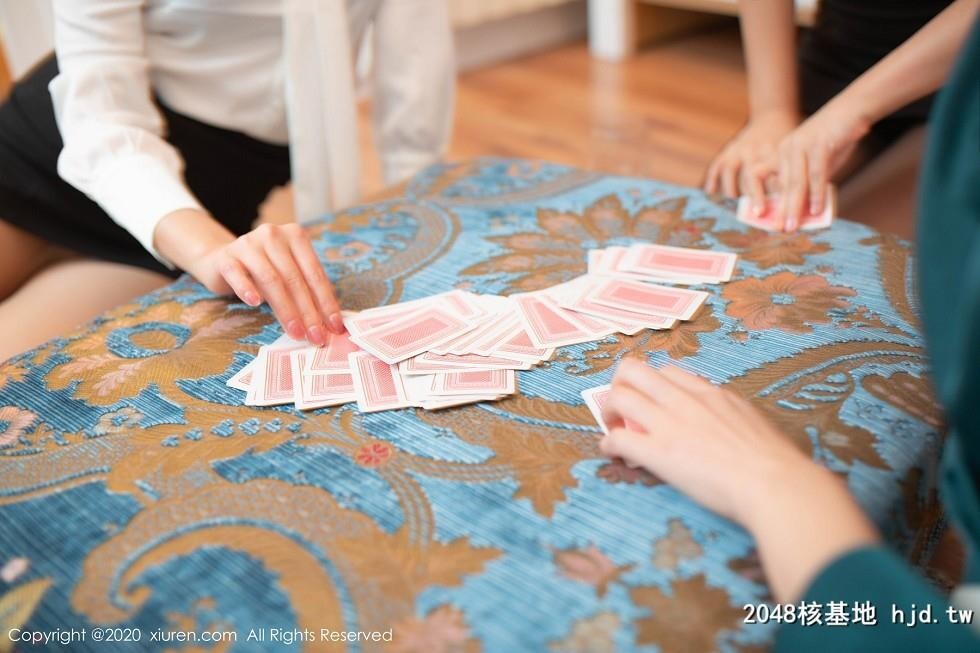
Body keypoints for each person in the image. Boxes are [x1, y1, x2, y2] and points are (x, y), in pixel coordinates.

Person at [603, 18, 980, 651]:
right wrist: (776, 109)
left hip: (939, 97)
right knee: (738, 244)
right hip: (837, 69)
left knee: (823, 279)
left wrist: (775, 487)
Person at [0, 1, 454, 362]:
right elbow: (99, 118)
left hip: (199, 207)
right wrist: (209, 250)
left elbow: (414, 80)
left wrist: (413, 225)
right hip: (50, 156)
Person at [704, 0, 976, 237]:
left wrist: (848, 113)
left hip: (963, 80)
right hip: (837, 59)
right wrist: (771, 112)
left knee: (839, 261)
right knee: (716, 227)